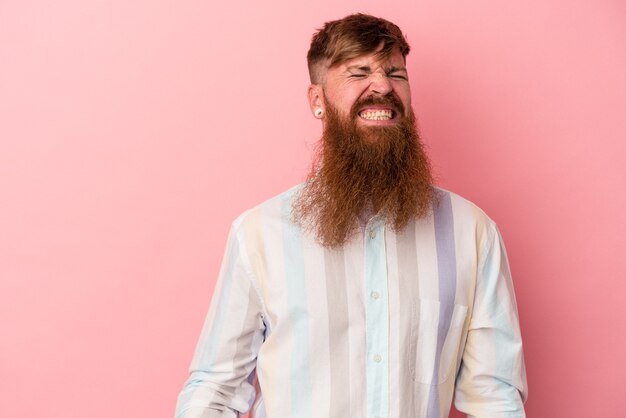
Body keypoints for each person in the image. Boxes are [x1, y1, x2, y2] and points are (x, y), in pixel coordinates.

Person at [175, 13, 527, 418]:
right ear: (317, 101)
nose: (382, 86)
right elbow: (215, 389)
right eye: (359, 72)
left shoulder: (472, 232)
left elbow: (495, 398)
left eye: (396, 73)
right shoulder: (260, 234)